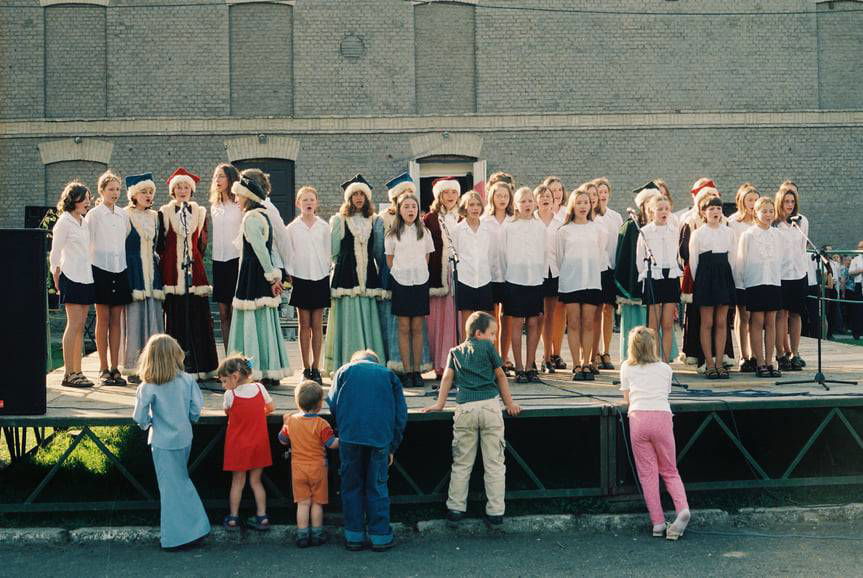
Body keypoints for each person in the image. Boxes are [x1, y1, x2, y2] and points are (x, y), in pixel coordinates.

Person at [422, 311, 521, 527]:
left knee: (462, 462)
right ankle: (495, 511)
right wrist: (510, 404)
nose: (494, 338)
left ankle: (455, 508)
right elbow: (501, 376)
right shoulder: (487, 347)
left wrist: (439, 404)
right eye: (492, 333)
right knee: (494, 463)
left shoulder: (454, 351)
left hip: (465, 408)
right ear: (479, 333)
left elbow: (447, 378)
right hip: (489, 408)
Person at [132, 333, 210, 550]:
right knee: (180, 481)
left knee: (171, 488)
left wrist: (148, 422)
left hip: (162, 440)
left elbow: (139, 417)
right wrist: (189, 418)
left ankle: (180, 535)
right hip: (184, 437)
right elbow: (196, 408)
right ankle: (191, 529)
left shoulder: (148, 385)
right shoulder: (186, 380)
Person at [326, 350, 407, 552]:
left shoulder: (343, 371)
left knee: (351, 486)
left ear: (355, 360)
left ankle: (354, 535)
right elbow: (400, 415)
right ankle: (380, 537)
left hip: (350, 437)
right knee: (377, 486)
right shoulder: (389, 375)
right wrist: (392, 446)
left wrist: (341, 429)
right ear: (376, 362)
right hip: (380, 438)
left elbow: (332, 405)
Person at [619, 326, 690, 540]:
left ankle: (658, 523)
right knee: (669, 470)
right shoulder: (665, 368)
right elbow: (664, 393)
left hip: (639, 418)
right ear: (654, 345)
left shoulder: (626, 367)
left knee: (647, 473)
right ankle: (682, 509)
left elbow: (627, 398)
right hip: (662, 417)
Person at [226, 171, 291, 384]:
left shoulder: (251, 218)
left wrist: (273, 277)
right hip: (260, 272)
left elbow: (261, 251)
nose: (236, 199)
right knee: (264, 320)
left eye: (239, 195)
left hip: (253, 274)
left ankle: (256, 370)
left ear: (247, 196)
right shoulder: (262, 215)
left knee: (252, 319)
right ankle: (268, 368)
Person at [158, 167, 219, 379]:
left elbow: (202, 242)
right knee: (175, 318)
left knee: (198, 318)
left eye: (186, 187)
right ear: (172, 191)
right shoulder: (164, 212)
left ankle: (202, 366)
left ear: (191, 190)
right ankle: (176, 367)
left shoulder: (200, 212)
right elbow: (161, 243)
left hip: (195, 272)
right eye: (178, 187)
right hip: (172, 274)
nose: (182, 190)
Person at [324, 175, 387, 373]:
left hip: (368, 277)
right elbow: (333, 251)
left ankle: (370, 361)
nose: (359, 198)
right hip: (346, 277)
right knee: (349, 318)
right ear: (348, 198)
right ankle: (346, 360)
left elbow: (377, 250)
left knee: (368, 318)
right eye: (355, 194)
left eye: (362, 194)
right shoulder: (339, 220)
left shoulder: (374, 220)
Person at [378, 173, 433, 380]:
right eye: (406, 207)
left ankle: (417, 370)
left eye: (413, 206)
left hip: (419, 282)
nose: (410, 210)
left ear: (418, 209)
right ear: (399, 210)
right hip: (400, 282)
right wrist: (400, 273)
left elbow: (427, 256)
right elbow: (389, 259)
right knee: (403, 327)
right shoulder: (392, 234)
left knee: (417, 327)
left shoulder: (424, 232)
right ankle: (406, 370)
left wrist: (418, 272)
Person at [278, 380, 339, 548]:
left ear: (297, 402)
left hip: (298, 468)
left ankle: (302, 535)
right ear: (319, 405)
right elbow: (331, 443)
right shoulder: (322, 424)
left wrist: (284, 423)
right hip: (318, 468)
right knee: (317, 502)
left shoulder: (291, 422)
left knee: (303, 503)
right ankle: (317, 534)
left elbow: (282, 440)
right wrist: (345, 440)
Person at [86, 170, 133, 385]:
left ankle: (116, 367)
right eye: (111, 189)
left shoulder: (123, 214)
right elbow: (88, 242)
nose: (115, 193)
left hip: (119, 269)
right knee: (102, 319)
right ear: (102, 191)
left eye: (117, 189)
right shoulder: (94, 215)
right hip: (100, 269)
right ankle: (103, 368)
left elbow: (124, 235)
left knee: (117, 321)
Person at [218, 354, 275, 532]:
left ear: (234, 377)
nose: (223, 385)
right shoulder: (259, 387)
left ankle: (233, 518)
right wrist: (258, 415)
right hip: (259, 442)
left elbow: (228, 411)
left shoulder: (230, 394)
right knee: (256, 481)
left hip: (238, 445)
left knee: (237, 482)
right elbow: (271, 408)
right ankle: (262, 516)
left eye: (224, 380)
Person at [557, 185, 607, 381]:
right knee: (574, 323)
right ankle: (576, 364)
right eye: (579, 202)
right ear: (572, 206)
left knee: (588, 323)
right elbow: (561, 257)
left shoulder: (597, 229)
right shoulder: (564, 231)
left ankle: (587, 363)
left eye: (586, 202)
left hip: (591, 281)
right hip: (571, 281)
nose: (583, 206)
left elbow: (600, 252)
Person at [50, 181, 96, 388]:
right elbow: (55, 253)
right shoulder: (64, 222)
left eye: (88, 198)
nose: (88, 201)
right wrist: (56, 274)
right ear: (74, 199)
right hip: (70, 277)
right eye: (84, 198)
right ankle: (69, 374)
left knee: (80, 327)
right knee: (74, 325)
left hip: (86, 277)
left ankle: (78, 371)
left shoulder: (83, 222)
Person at [121, 173, 165, 383]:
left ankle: (154, 366)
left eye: (150, 192)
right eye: (144, 192)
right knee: (135, 319)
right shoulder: (125, 215)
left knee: (154, 317)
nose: (148, 196)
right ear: (133, 195)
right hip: (134, 272)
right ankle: (133, 367)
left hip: (152, 273)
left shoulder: (155, 217)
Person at [286, 186, 331, 384]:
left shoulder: (324, 227)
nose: (309, 203)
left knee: (317, 325)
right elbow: (289, 253)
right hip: (301, 278)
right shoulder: (292, 228)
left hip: (320, 277)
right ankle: (305, 368)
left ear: (317, 203)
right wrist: (290, 274)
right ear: (298, 204)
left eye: (312, 200)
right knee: (304, 325)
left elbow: (329, 252)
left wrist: (327, 271)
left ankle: (316, 367)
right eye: (305, 200)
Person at [689, 195, 736, 379]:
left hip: (723, 275)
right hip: (705, 277)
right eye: (711, 209)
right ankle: (708, 363)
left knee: (721, 322)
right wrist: (700, 281)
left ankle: (719, 363)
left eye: (718, 208)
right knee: (707, 322)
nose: (715, 212)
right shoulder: (698, 233)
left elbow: (732, 258)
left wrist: (727, 277)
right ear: (703, 212)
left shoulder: (728, 232)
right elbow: (693, 263)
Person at [503, 186, 546, 383]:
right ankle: (518, 366)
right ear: (516, 205)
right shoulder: (508, 226)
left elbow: (544, 252)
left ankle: (530, 366)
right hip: (514, 279)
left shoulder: (539, 227)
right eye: (523, 201)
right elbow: (502, 254)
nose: (527, 204)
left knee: (533, 321)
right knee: (516, 322)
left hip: (535, 279)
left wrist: (541, 275)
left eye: (530, 201)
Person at [738, 197, 785, 378]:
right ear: (756, 213)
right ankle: (758, 361)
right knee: (757, 322)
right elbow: (741, 261)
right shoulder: (748, 235)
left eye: (771, 211)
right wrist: (741, 285)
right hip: (755, 282)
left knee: (771, 322)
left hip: (772, 281)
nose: (768, 214)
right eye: (764, 211)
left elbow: (780, 259)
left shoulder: (777, 234)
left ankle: (769, 360)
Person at [423, 177, 461, 377]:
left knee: (456, 320)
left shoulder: (463, 216)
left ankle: (458, 363)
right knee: (438, 321)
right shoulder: (430, 219)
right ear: (439, 195)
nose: (450, 197)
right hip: (438, 275)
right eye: (446, 192)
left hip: (459, 274)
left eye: (454, 192)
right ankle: (439, 364)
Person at [637, 194, 681, 363]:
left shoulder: (674, 230)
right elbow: (639, 259)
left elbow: (676, 253)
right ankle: (652, 359)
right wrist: (645, 276)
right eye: (660, 209)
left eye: (667, 209)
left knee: (668, 324)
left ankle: (664, 361)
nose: (664, 212)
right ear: (651, 211)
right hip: (653, 277)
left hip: (670, 276)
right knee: (653, 326)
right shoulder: (645, 232)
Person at [482, 178, 516, 375]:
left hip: (510, 274)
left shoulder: (514, 219)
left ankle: (505, 357)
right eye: (498, 195)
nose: (502, 199)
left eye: (505, 196)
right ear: (492, 198)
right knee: (491, 317)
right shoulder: (485, 220)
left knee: (508, 318)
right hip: (490, 274)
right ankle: (492, 358)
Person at [774, 182, 808, 371]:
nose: (789, 205)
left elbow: (803, 247)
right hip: (780, 275)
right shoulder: (775, 223)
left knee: (795, 314)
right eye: (786, 201)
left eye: (792, 201)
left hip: (798, 273)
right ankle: (780, 354)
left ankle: (795, 352)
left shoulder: (802, 221)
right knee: (781, 314)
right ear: (780, 202)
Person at [209, 163, 242, 346]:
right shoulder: (214, 205)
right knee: (223, 313)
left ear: (230, 179)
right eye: (215, 177)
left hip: (235, 260)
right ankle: (228, 354)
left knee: (235, 311)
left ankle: (239, 353)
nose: (217, 180)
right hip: (219, 261)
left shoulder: (238, 204)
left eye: (221, 176)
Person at [452, 190, 495, 332]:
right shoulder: (458, 230)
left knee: (484, 323)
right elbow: (455, 254)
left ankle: (483, 353)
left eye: (478, 205)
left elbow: (491, 254)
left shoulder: (488, 229)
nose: (475, 208)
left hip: (484, 279)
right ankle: (468, 353)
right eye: (471, 205)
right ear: (465, 207)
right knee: (468, 324)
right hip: (465, 280)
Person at [593, 177, 623, 370]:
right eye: (599, 192)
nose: (602, 196)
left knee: (608, 311)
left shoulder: (615, 217)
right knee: (595, 311)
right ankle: (594, 351)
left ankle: (606, 351)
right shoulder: (591, 216)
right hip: (596, 269)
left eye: (605, 192)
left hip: (611, 268)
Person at [728, 183, 759, 372]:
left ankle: (756, 354)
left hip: (757, 274)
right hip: (739, 272)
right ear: (742, 201)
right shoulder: (734, 222)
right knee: (742, 314)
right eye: (750, 200)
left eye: (756, 200)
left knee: (756, 315)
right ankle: (744, 355)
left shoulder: (761, 221)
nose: (753, 204)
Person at [534, 184, 562, 374]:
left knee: (551, 316)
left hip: (554, 272)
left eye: (549, 197)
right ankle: (532, 359)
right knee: (537, 317)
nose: (545, 199)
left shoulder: (560, 223)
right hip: (536, 273)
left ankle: (547, 357)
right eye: (542, 196)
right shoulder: (531, 221)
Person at [542, 176, 569, 370]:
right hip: (541, 272)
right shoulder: (536, 217)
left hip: (559, 270)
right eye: (552, 191)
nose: (557, 194)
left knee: (559, 314)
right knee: (543, 314)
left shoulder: (566, 216)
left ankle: (556, 352)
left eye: (559, 190)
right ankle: (545, 355)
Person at [849, 241, 863, 340]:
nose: (860, 249)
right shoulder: (856, 259)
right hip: (859, 285)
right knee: (858, 309)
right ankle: (857, 333)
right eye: (859, 247)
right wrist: (860, 271)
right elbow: (850, 272)